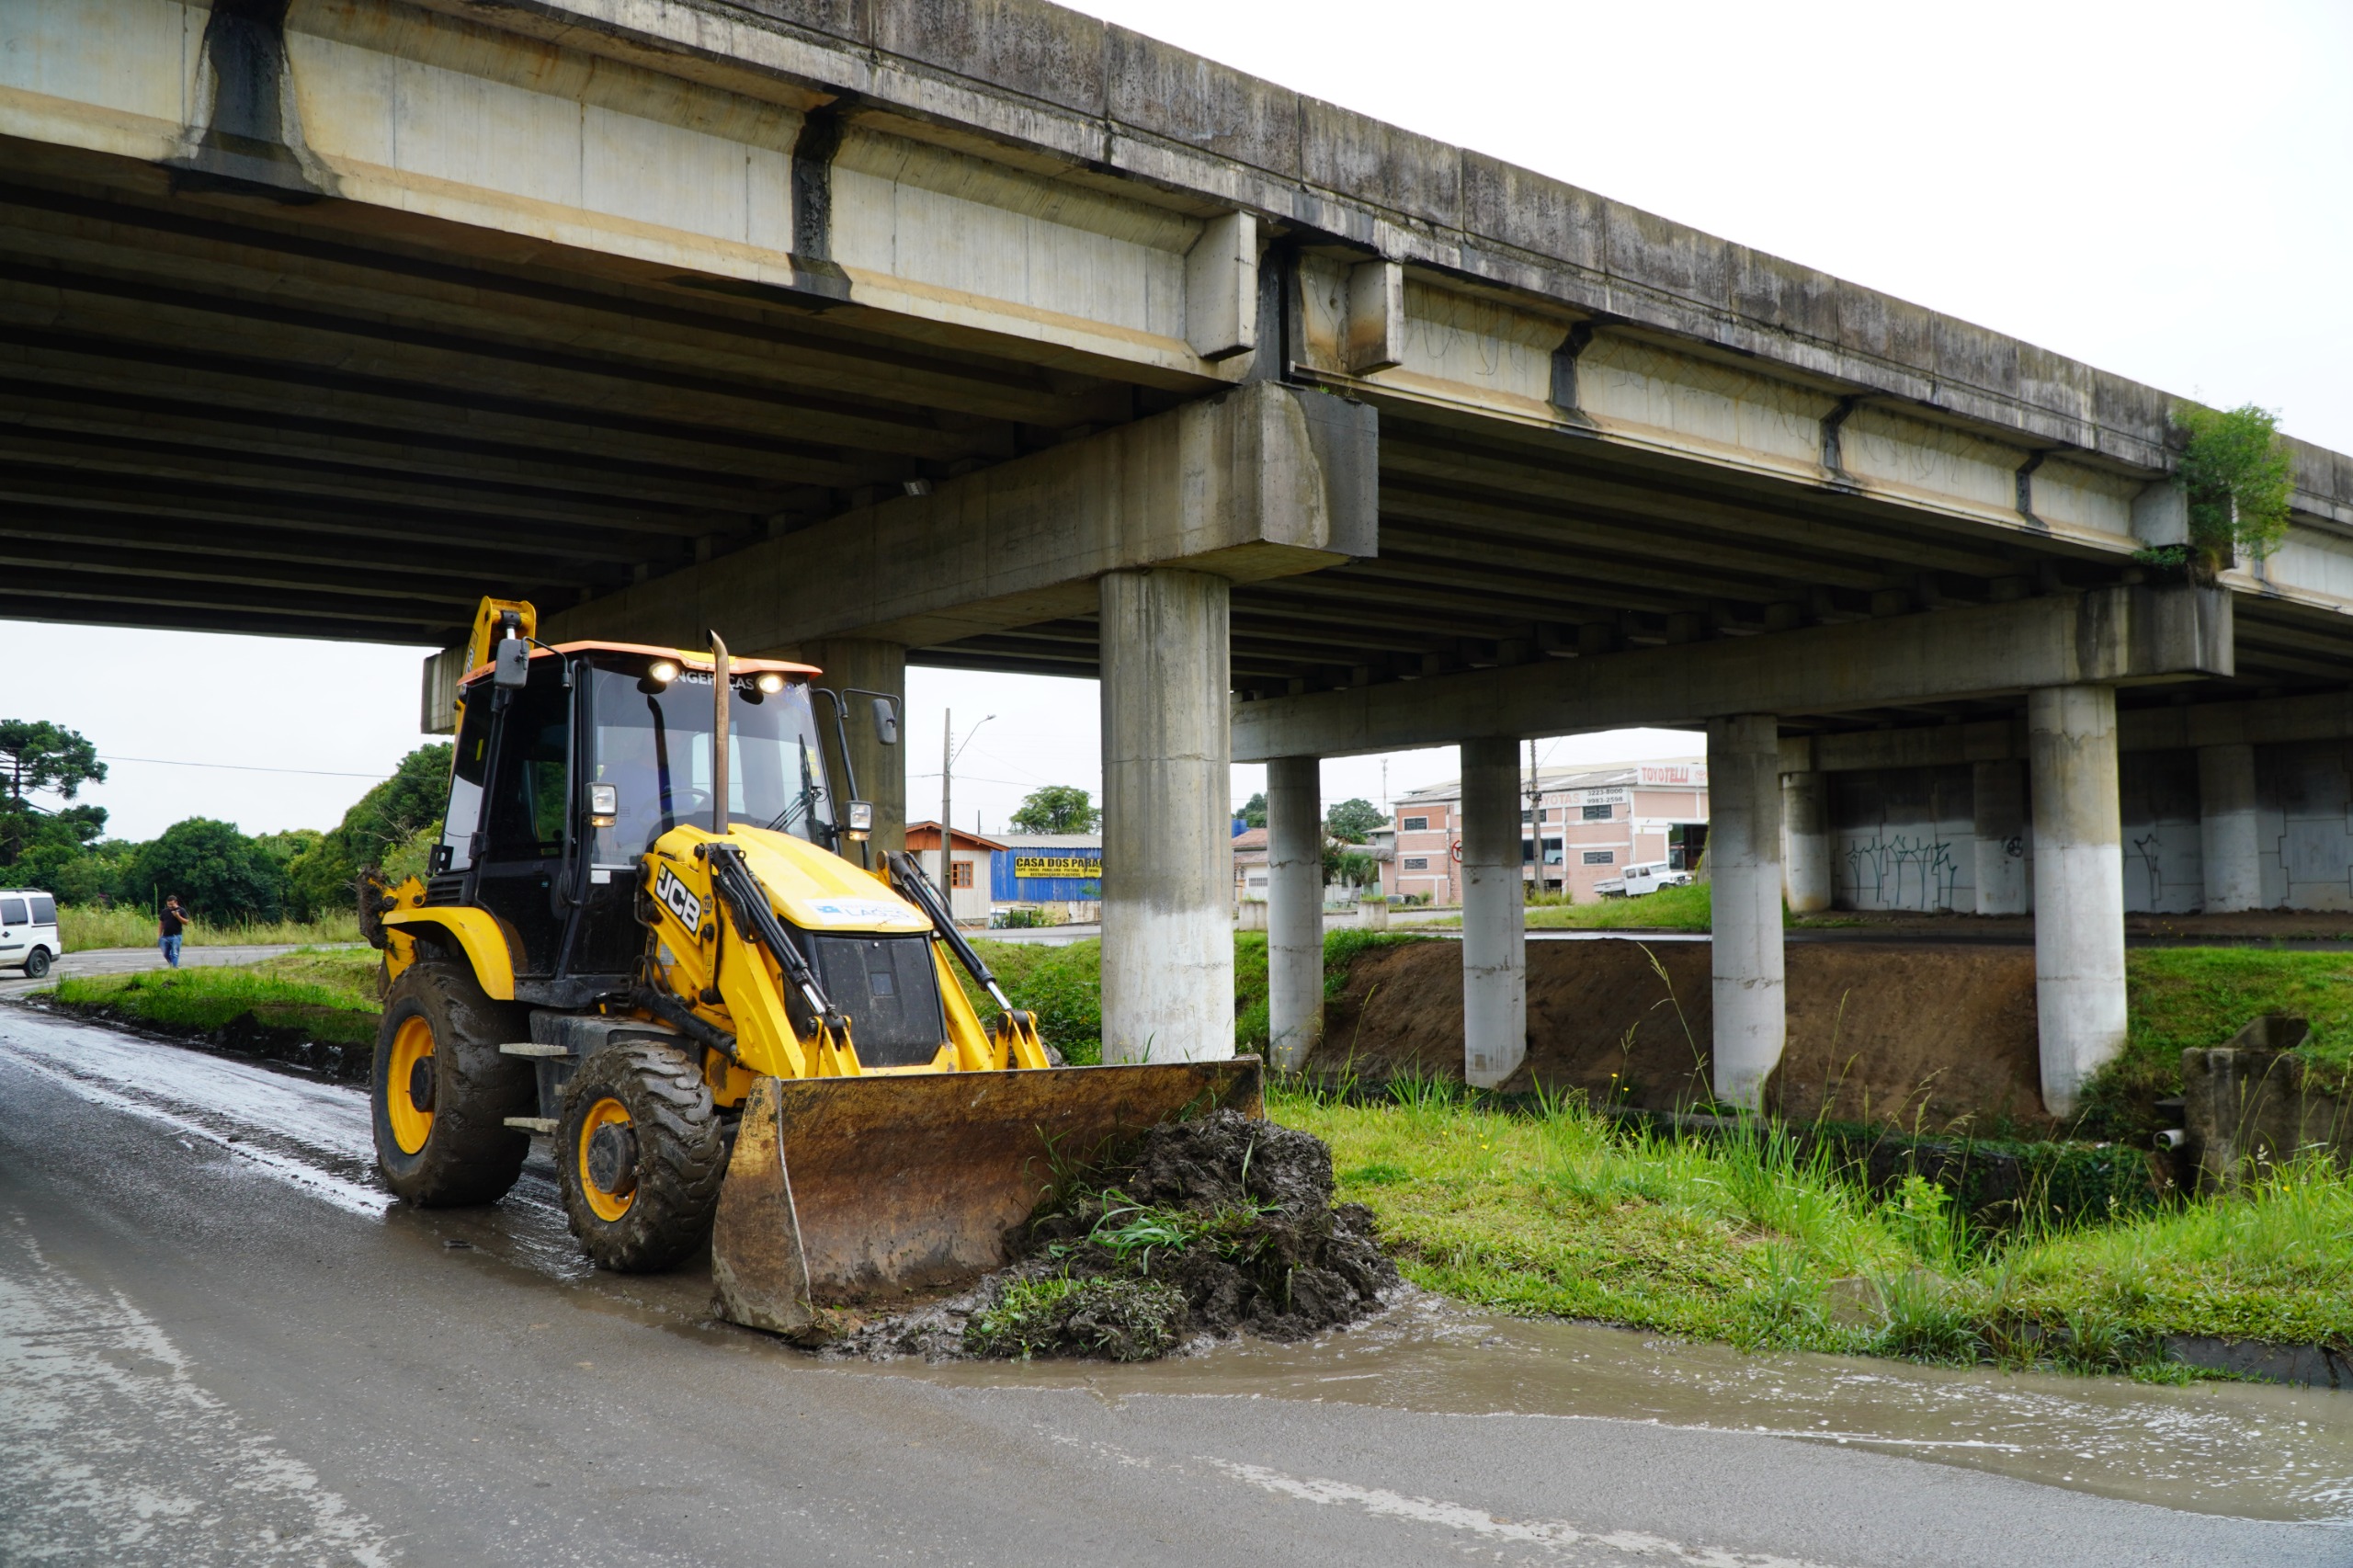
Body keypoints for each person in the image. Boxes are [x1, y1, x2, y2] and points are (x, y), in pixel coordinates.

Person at [158, 895, 188, 969]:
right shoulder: (164, 911)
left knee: (175, 953)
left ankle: (174, 967)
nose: (170, 906)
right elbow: (161, 924)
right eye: (169, 905)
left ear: (176, 902)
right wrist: (159, 935)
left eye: (172, 904)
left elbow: (186, 922)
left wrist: (178, 916)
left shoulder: (181, 911)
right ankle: (172, 965)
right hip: (165, 936)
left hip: (176, 936)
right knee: (165, 953)